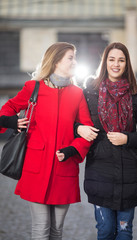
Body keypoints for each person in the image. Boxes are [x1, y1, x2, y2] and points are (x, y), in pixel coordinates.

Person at [0, 42, 93, 240]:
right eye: (71, 57)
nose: (75, 62)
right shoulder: (33, 88)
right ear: (57, 60)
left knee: (57, 230)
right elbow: (8, 108)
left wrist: (72, 150)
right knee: (41, 229)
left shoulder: (77, 94)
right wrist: (12, 122)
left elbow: (88, 132)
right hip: (36, 168)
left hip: (64, 169)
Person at [75, 42, 137, 240]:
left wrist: (126, 138)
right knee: (104, 231)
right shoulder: (89, 94)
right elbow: (72, 124)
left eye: (121, 60)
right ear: (105, 62)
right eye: (112, 59)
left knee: (125, 232)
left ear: (127, 63)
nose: (116, 64)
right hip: (99, 172)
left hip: (130, 174)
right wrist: (78, 128)